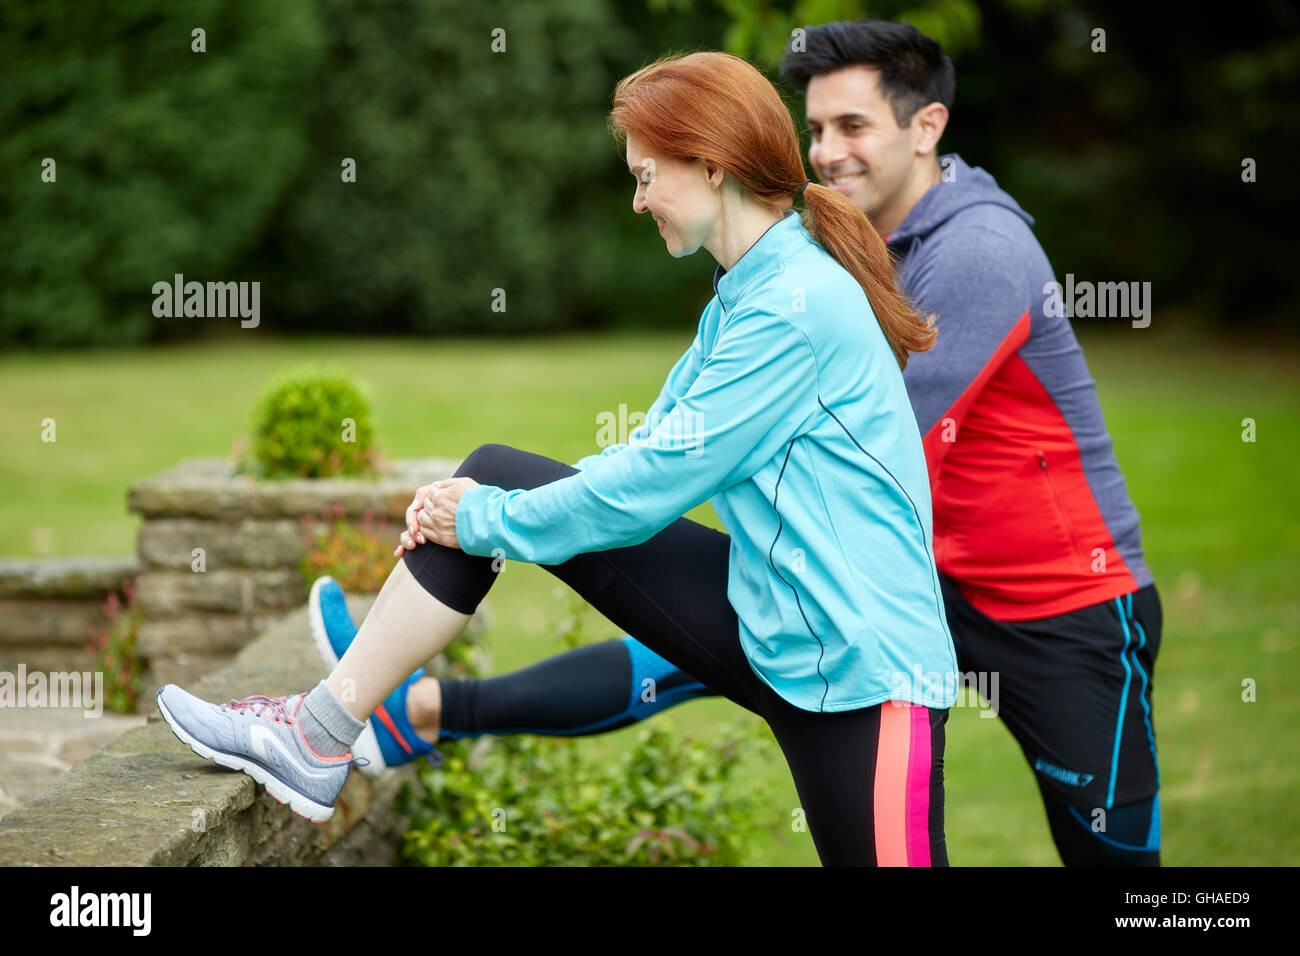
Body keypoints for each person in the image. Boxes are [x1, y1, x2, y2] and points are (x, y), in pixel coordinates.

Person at [321, 19, 1164, 868]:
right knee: (677, 628)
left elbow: (874, 451)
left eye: (853, 127)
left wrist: (498, 520)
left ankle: (415, 712)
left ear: (928, 127)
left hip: (1055, 606)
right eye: (817, 128)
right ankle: (412, 712)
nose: (827, 152)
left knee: (1115, 869)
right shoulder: (797, 265)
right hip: (899, 588)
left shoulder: (972, 255)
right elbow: (670, 451)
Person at [156, 49, 959, 867]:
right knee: (496, 472)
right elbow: (646, 450)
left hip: (867, 670)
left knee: (493, 492)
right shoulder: (747, 291)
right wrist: (475, 512)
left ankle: (331, 730)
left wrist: (485, 519)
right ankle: (322, 733)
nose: (638, 199)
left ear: (712, 165)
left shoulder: (794, 306)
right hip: (783, 622)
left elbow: (649, 488)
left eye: (647, 176)